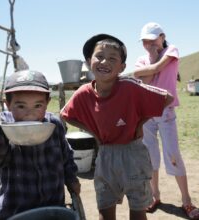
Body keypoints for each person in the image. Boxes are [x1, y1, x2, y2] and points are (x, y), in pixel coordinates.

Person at [60, 33, 173, 220]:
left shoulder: (129, 86)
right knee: (105, 209)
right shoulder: (83, 93)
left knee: (138, 210)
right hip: (105, 155)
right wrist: (93, 132)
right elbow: (66, 115)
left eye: (113, 58)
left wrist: (141, 121)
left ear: (122, 67)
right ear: (89, 61)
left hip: (133, 154)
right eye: (99, 57)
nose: (105, 62)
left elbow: (166, 98)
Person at [0, 69, 81, 220]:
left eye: (38, 106)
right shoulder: (3, 126)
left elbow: (66, 155)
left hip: (52, 207)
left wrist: (71, 178)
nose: (30, 114)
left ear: (47, 103)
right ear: (8, 104)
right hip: (15, 208)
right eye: (21, 106)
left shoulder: (54, 125)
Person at [133, 22, 199, 220]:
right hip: (146, 114)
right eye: (145, 41)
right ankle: (155, 197)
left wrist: (151, 63)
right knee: (150, 156)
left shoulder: (171, 50)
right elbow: (142, 80)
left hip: (166, 111)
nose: (148, 44)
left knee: (173, 155)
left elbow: (154, 69)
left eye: (152, 39)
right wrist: (151, 62)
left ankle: (187, 201)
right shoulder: (141, 59)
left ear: (162, 37)